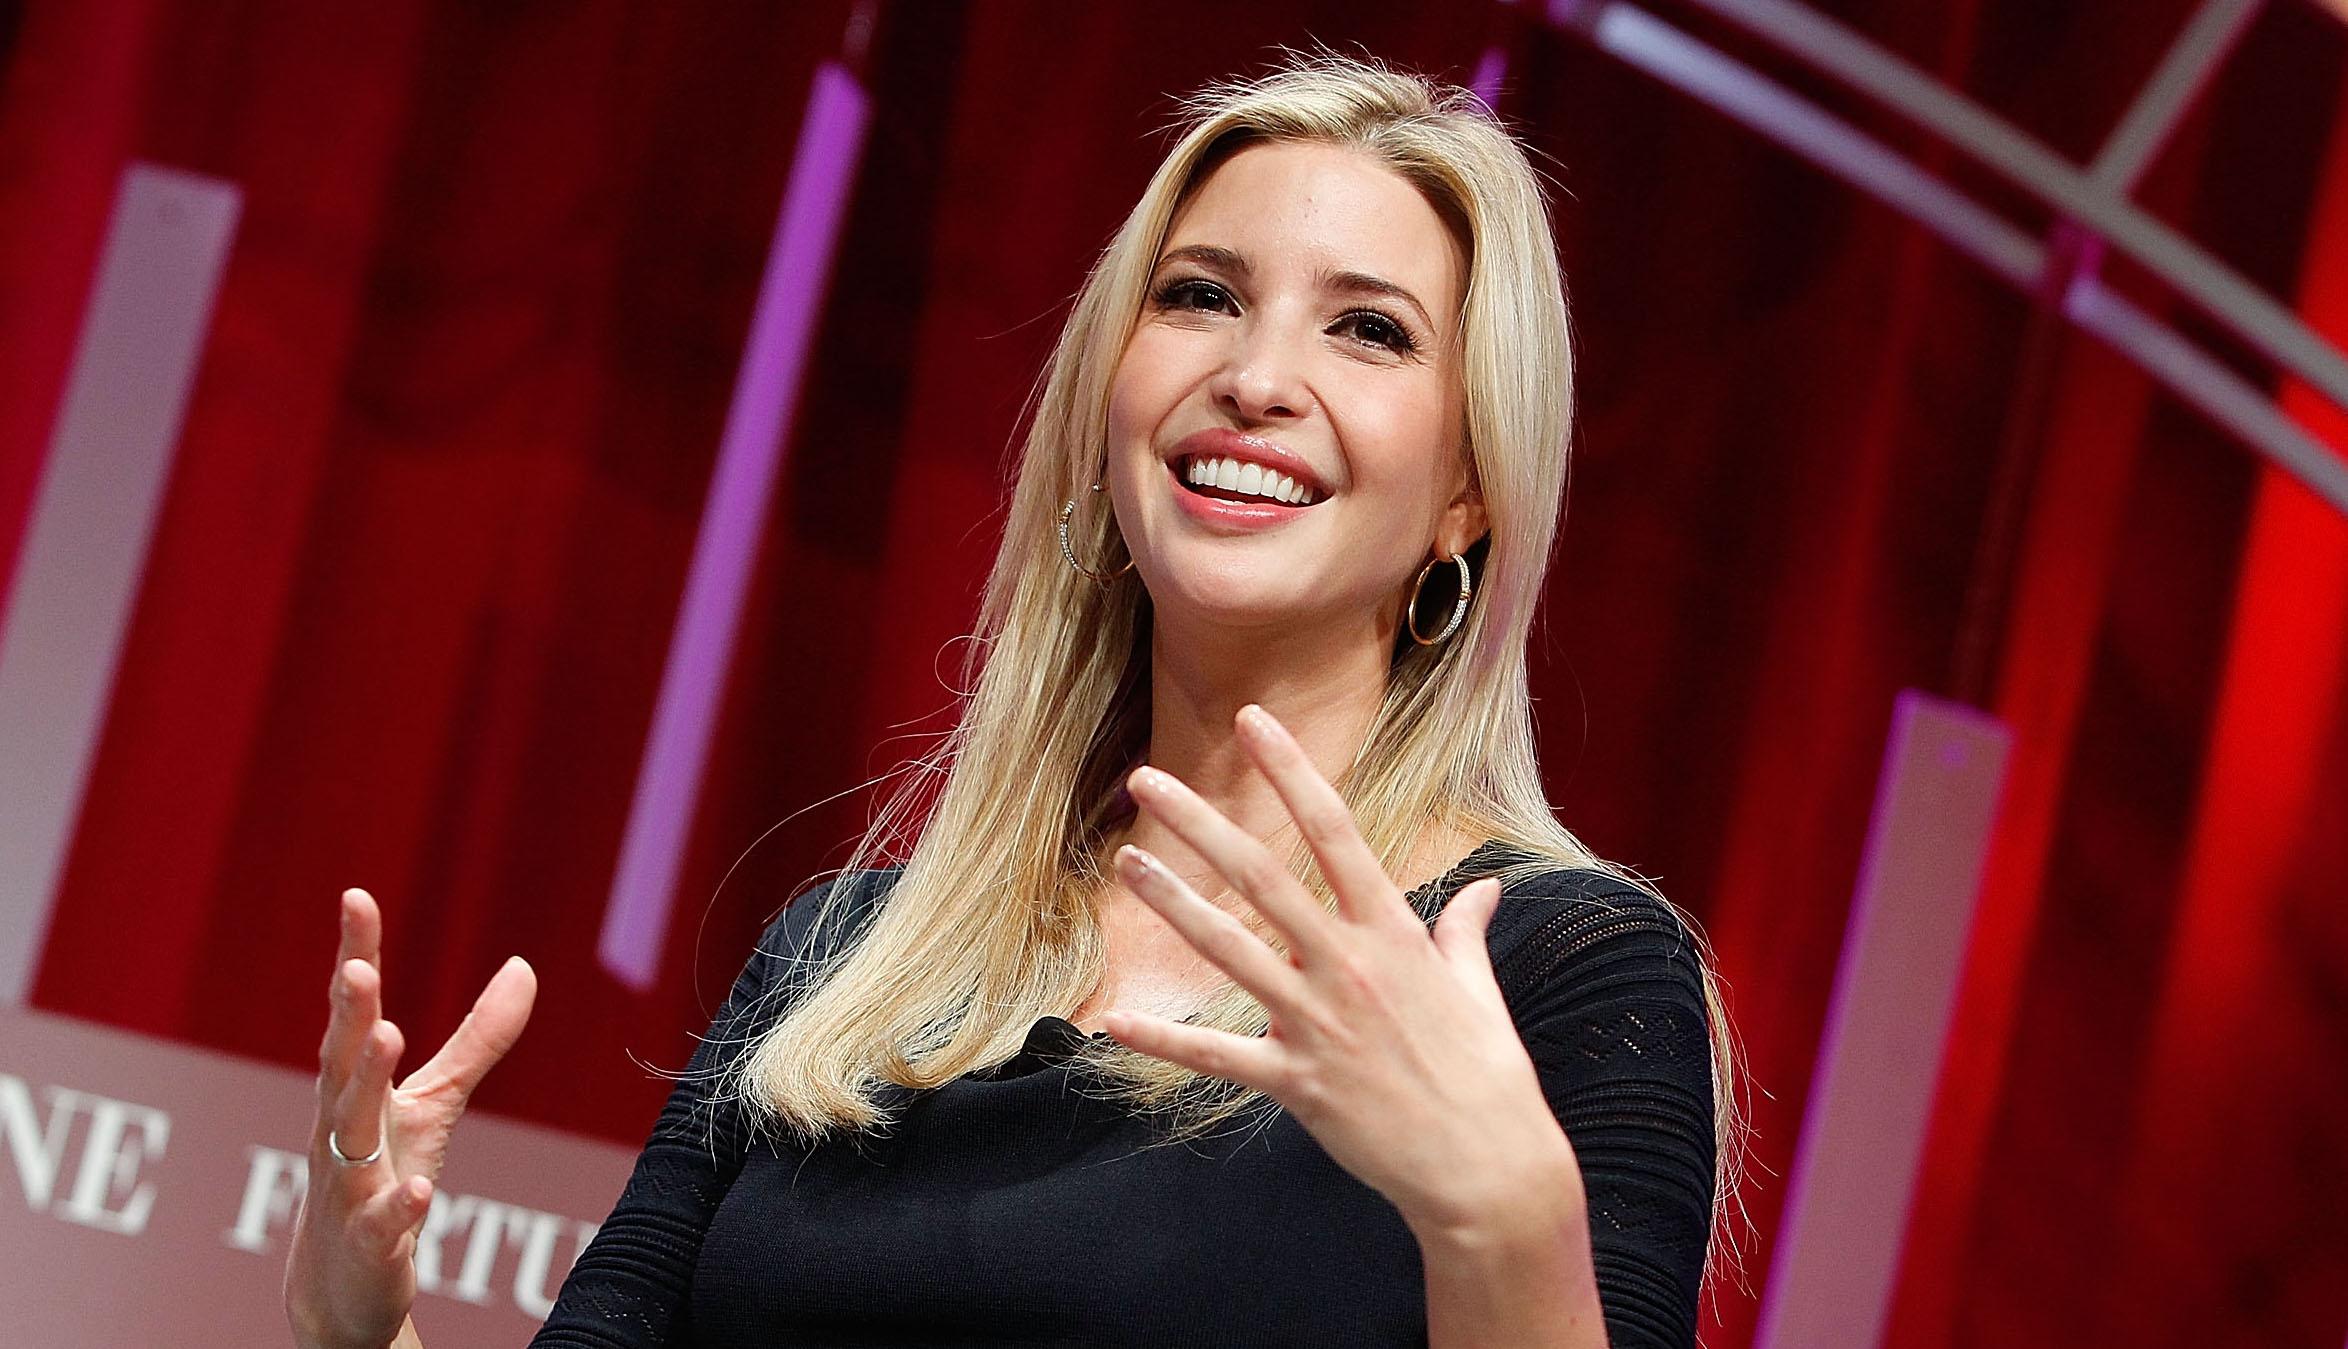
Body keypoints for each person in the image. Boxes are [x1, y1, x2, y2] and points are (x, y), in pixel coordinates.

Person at [286, 52, 1743, 1349]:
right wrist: (359, 1328)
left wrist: (1504, 1225)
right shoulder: (852, 956)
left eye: (1367, 330)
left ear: (1470, 493)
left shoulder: (1552, 972)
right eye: (1201, 297)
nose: (1254, 376)